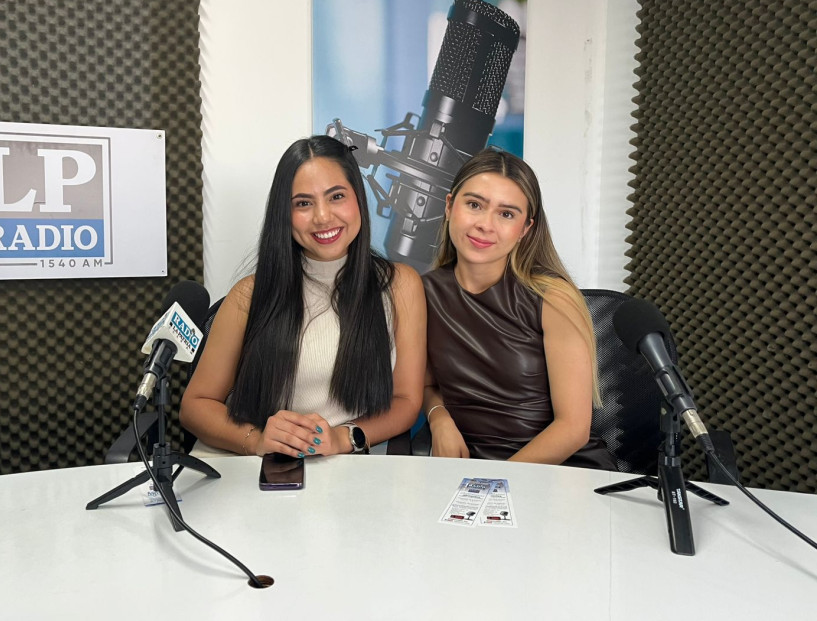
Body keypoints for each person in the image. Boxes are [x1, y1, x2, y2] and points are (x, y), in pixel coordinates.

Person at [180, 135, 426, 457]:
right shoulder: (249, 294)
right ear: (284, 213)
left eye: (336, 196)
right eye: (303, 203)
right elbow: (195, 406)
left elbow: (406, 401)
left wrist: (344, 437)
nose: (322, 217)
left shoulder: (399, 285)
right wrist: (256, 440)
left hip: (342, 468)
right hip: (255, 467)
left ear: (358, 198)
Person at [422, 149, 615, 469]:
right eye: (474, 205)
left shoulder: (554, 298)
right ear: (449, 206)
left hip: (560, 470)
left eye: (507, 214)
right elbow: (428, 385)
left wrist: (495, 483)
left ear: (525, 228)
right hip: (471, 470)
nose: (485, 225)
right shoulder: (423, 292)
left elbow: (572, 429)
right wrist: (438, 416)